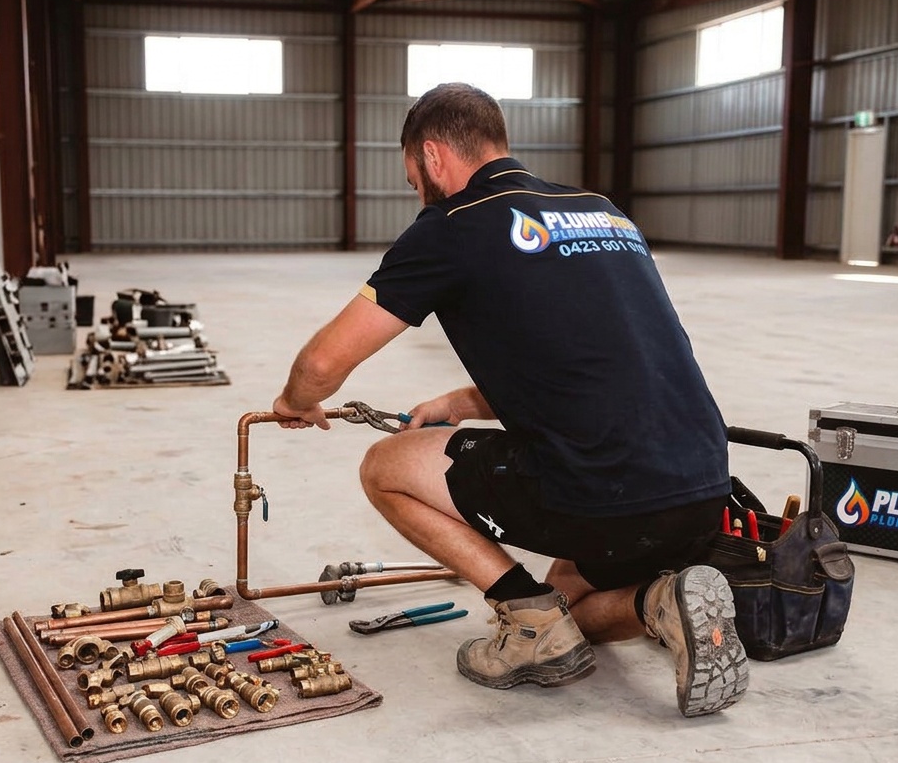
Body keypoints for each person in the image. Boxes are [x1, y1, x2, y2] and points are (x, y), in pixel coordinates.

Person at [272, 83, 748, 717]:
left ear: (434, 157)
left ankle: (526, 622)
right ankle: (660, 601)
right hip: (700, 484)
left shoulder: (453, 226)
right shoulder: (601, 211)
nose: (418, 192)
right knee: (571, 606)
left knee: (385, 467)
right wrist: (469, 401)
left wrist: (295, 400)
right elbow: (601, 357)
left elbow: (325, 363)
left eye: (413, 178)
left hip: (600, 494)